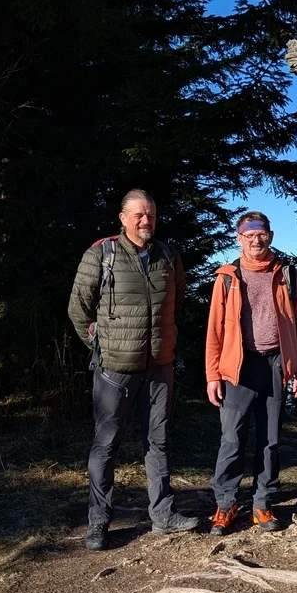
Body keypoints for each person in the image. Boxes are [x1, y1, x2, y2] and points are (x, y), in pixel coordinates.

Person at [68, 189, 198, 551]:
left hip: (159, 366)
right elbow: (78, 309)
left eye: (151, 215)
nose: (146, 221)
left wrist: (166, 342)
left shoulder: (168, 256)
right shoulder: (101, 255)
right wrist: (102, 347)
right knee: (106, 444)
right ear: (123, 219)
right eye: (139, 215)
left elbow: (176, 302)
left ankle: (163, 515)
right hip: (115, 370)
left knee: (158, 441)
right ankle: (98, 522)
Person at [205, 212, 297, 535]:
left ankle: (262, 502)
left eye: (261, 234)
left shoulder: (287, 275)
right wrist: (212, 375)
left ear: (271, 236)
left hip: (275, 363)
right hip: (238, 367)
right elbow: (215, 329)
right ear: (239, 239)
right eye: (249, 236)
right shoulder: (228, 277)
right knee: (232, 438)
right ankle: (226, 503)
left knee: (270, 439)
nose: (256, 240)